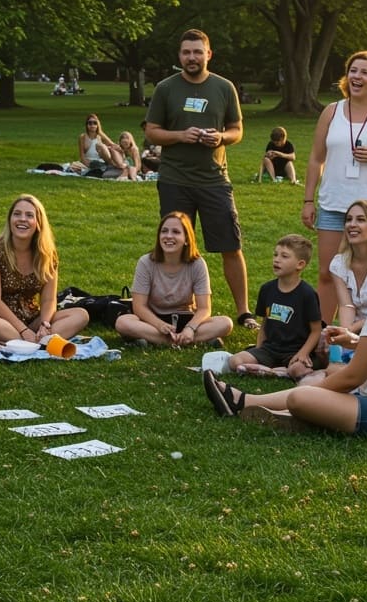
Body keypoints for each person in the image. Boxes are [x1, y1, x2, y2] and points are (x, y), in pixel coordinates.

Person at [203, 231, 367, 440]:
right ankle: (248, 402)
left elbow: (353, 377)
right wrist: (356, 341)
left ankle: (245, 403)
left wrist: (318, 392)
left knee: (303, 394)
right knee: (324, 379)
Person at [145, 29, 256, 328]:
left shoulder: (223, 87)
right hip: (174, 179)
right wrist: (180, 135)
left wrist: (221, 137)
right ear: (179, 56)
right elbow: (151, 131)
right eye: (186, 53)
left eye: (197, 52)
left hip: (214, 180)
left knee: (230, 245)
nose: (191, 58)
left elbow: (237, 129)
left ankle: (243, 311)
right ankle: (177, 306)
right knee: (173, 247)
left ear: (209, 54)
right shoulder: (166, 88)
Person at [300, 50, 367, 325]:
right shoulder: (331, 111)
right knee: (328, 272)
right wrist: (308, 200)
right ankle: (324, 334)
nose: (356, 77)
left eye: (364, 72)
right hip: (334, 204)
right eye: (353, 71)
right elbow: (316, 158)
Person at [0, 194, 90, 343]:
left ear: (38, 223)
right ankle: (36, 342)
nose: (22, 219)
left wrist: (45, 324)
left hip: (31, 318)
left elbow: (49, 299)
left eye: (29, 215)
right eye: (17, 214)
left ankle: (33, 340)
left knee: (81, 315)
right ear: (10, 220)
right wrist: (23, 330)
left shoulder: (47, 254)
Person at [114, 211, 233, 347]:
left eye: (176, 232)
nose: (168, 236)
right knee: (123, 322)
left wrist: (190, 328)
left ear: (187, 239)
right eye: (164, 231)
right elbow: (139, 306)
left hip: (186, 319)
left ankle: (163, 340)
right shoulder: (146, 262)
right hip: (154, 320)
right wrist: (160, 325)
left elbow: (204, 308)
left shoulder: (197, 264)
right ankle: (184, 341)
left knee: (225, 323)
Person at [227, 234, 322, 379]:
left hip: (295, 351)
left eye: (284, 256)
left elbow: (316, 331)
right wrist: (258, 350)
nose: (277, 259)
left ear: (300, 264)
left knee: (298, 370)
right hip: (270, 350)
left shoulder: (307, 294)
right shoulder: (267, 289)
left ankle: (268, 370)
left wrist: (303, 353)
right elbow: (265, 324)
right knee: (235, 361)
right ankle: (276, 371)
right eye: (275, 254)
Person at [329, 200, 367, 334]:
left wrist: (350, 330)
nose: (352, 225)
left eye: (361, 220)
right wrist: (343, 333)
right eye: (349, 220)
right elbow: (346, 305)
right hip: (356, 330)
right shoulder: (338, 264)